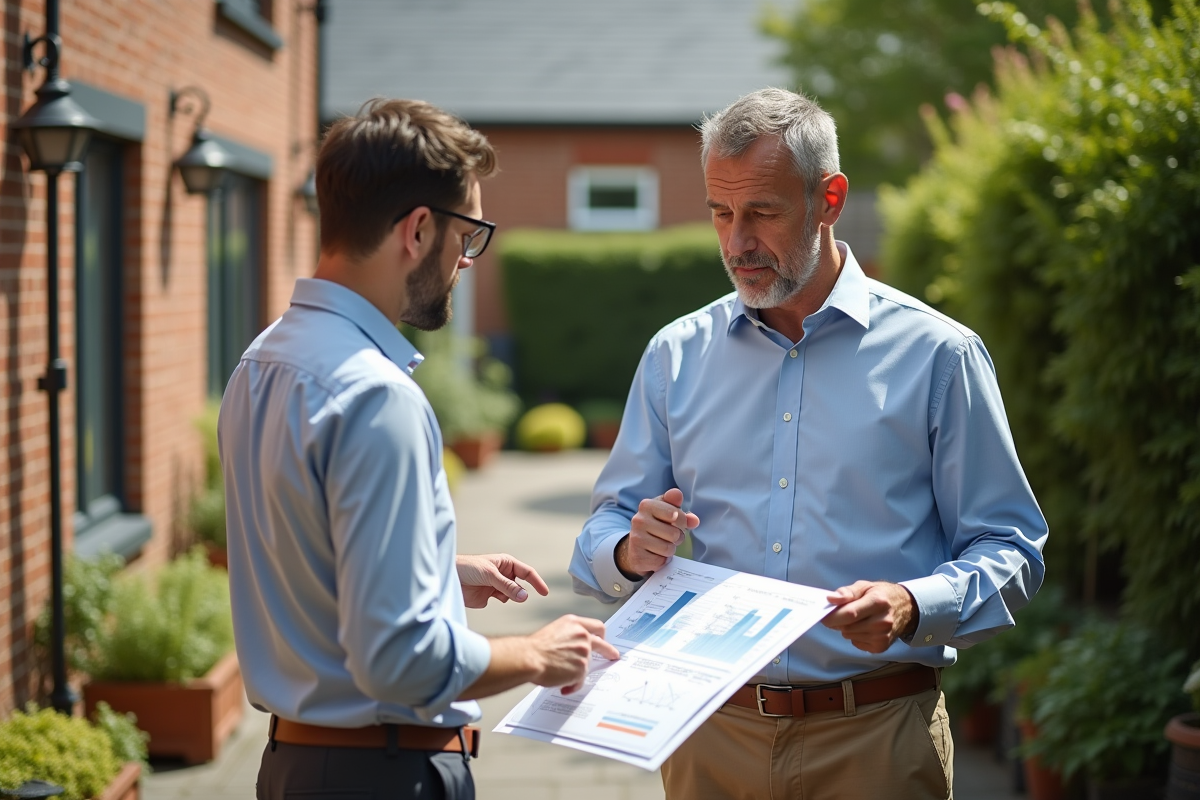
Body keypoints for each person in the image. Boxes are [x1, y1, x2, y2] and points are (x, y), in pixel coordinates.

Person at [569, 87, 1048, 800]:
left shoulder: (940, 356)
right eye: (720, 214)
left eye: (762, 212)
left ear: (829, 199)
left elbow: (1011, 545)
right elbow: (601, 530)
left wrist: (914, 602)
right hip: (707, 738)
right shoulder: (675, 355)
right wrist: (626, 550)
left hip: (876, 738)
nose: (736, 243)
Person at [220, 98, 619, 800]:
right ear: (418, 229)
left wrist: (432, 569)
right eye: (468, 236)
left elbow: (297, 547)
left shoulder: (261, 361)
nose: (467, 261)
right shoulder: (376, 395)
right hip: (381, 774)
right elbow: (399, 660)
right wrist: (535, 652)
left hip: (292, 768)